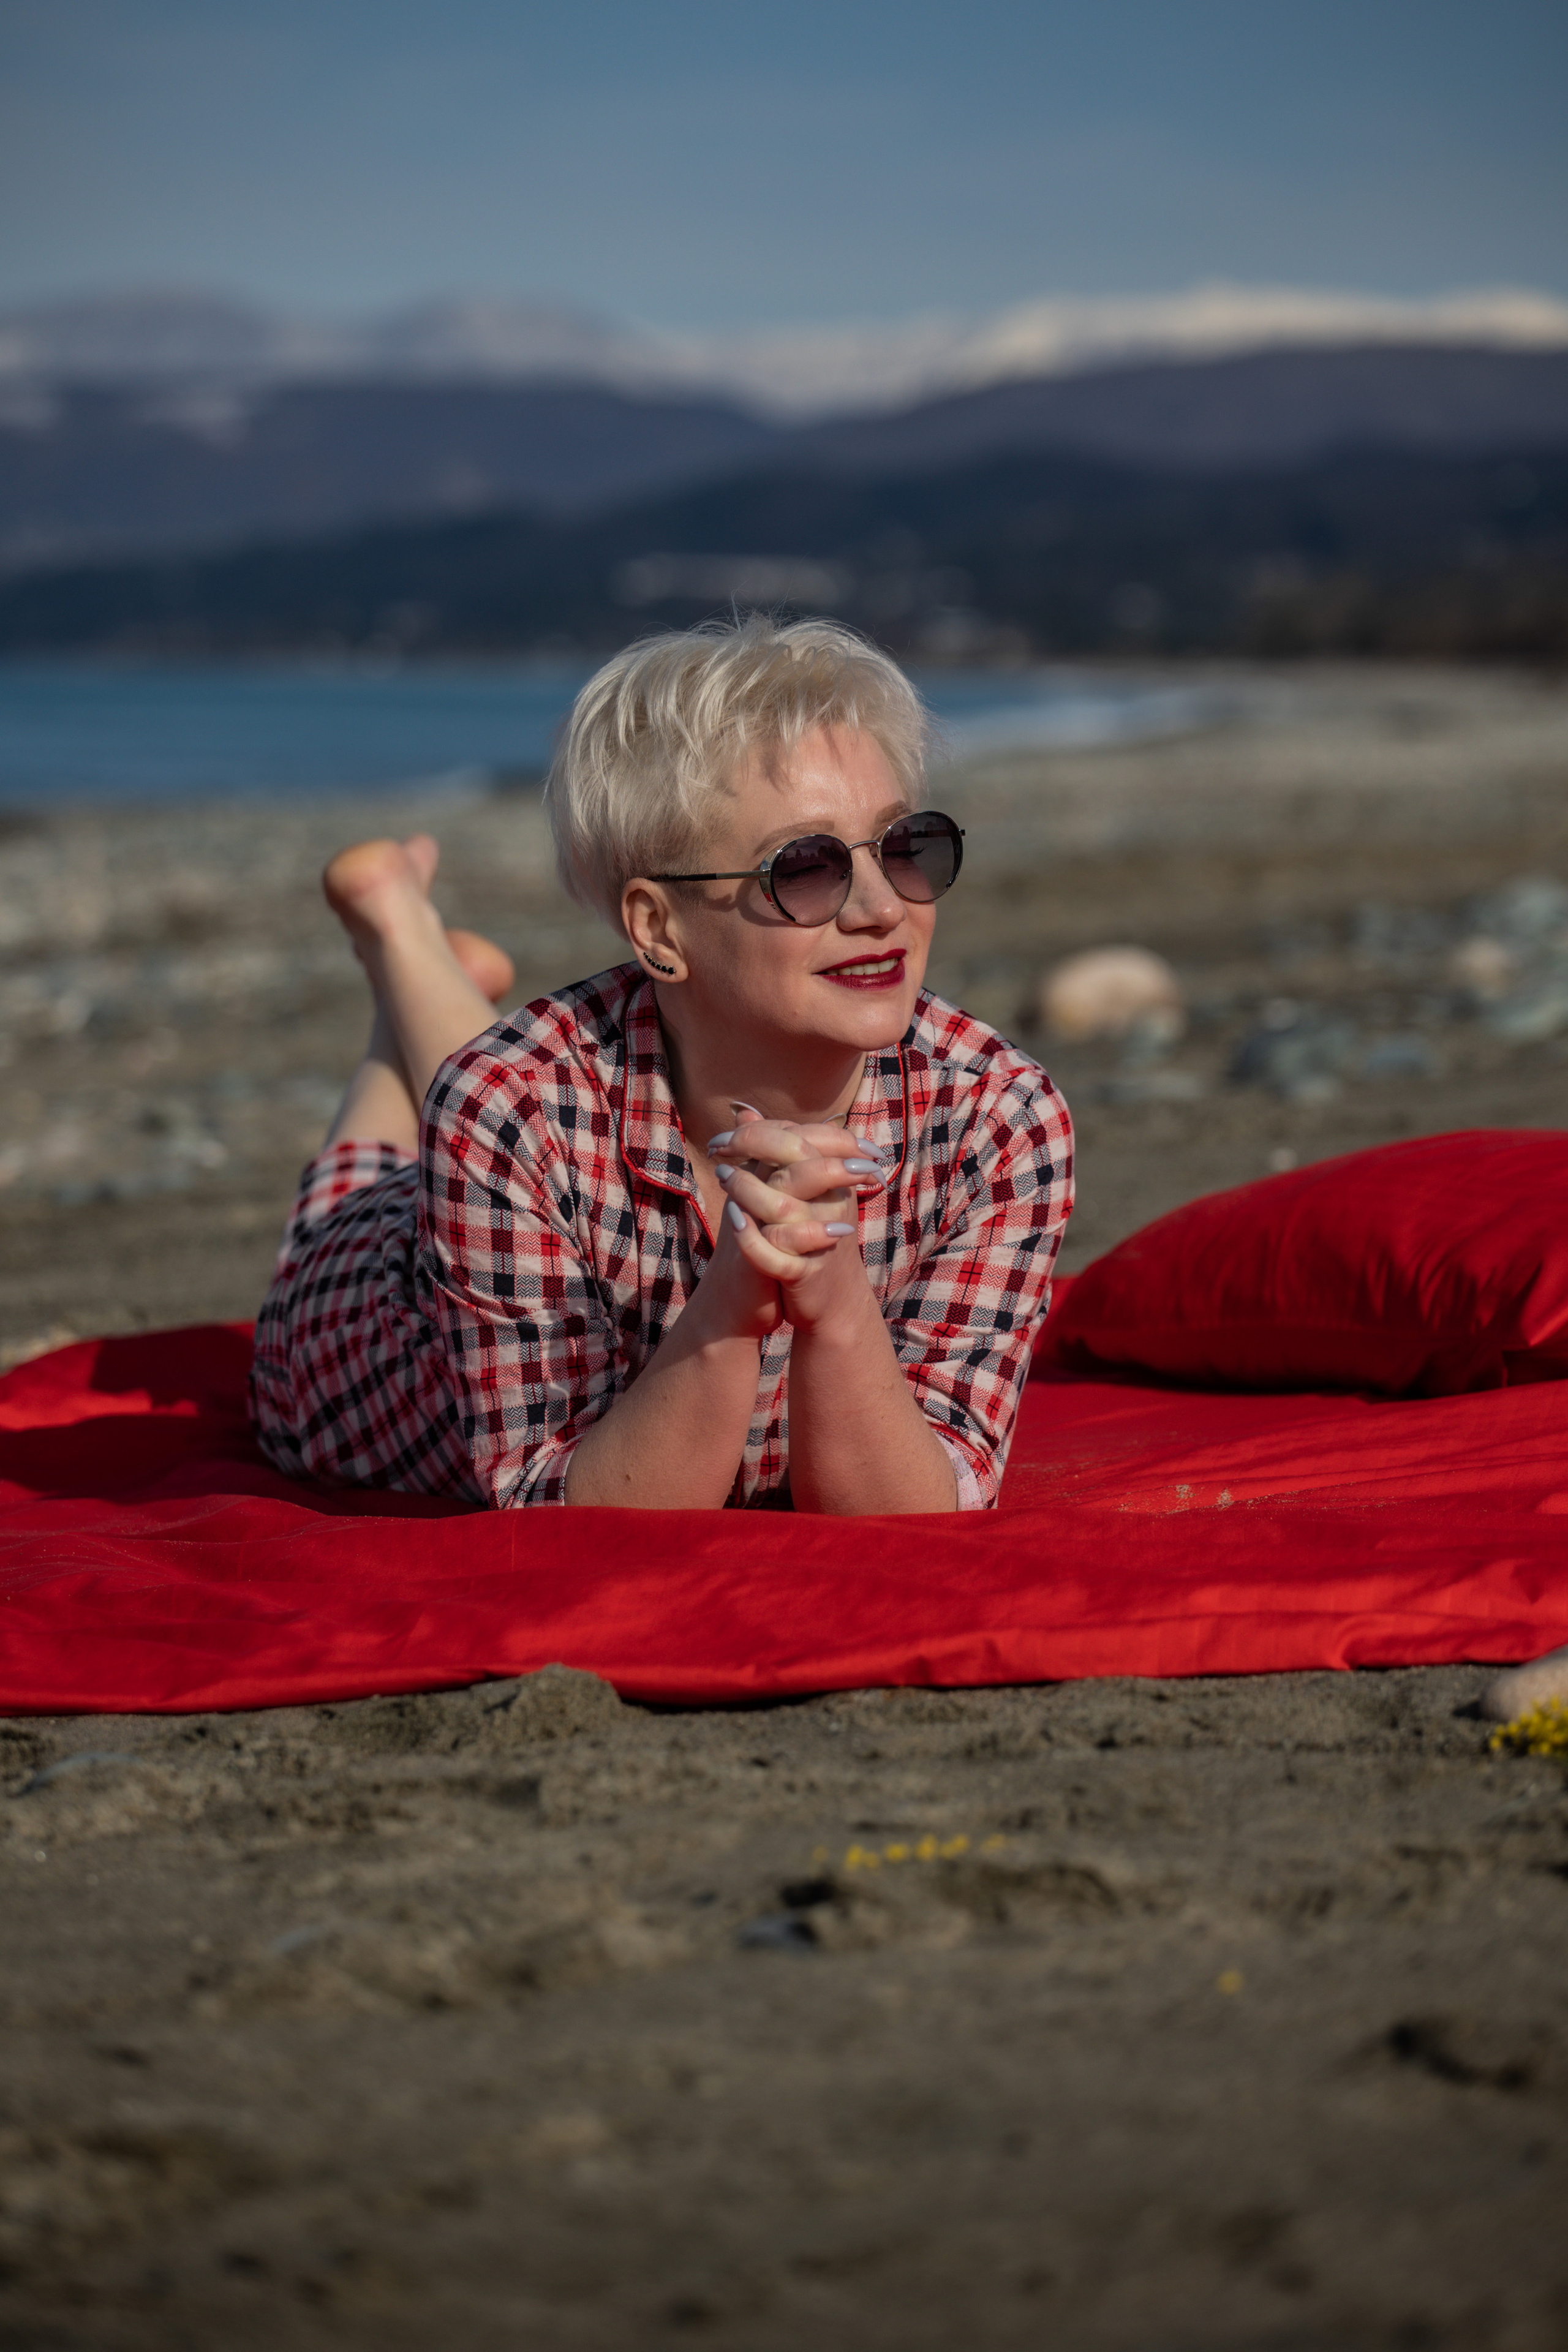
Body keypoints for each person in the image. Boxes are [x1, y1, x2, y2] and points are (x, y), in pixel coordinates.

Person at [251, 615, 1074, 1513]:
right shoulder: (507, 1109)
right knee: (410, 1147)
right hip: (376, 1312)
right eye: (804, 868)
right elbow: (565, 1511)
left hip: (547, 1111)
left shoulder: (1000, 1119)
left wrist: (834, 1299)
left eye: (906, 846)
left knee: (491, 1081)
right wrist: (731, 1304)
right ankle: (399, 935)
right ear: (658, 928)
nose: (881, 906)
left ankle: (398, 950)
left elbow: (915, 1512)